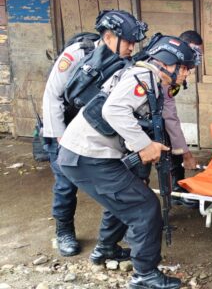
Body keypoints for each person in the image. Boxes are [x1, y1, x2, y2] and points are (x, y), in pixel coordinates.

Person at [57, 35, 197, 289]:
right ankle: (144, 275)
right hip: (87, 155)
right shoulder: (143, 78)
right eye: (185, 68)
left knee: (126, 199)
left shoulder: (152, 79)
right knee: (145, 208)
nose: (187, 75)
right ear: (168, 63)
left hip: (84, 154)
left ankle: (106, 250)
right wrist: (144, 146)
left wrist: (174, 149)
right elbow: (113, 110)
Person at [41, 10, 148, 257]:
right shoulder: (79, 54)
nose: (132, 47)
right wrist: (60, 136)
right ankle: (64, 230)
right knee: (66, 184)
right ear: (109, 37)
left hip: (96, 132)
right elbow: (52, 95)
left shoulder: (127, 63)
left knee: (116, 183)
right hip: (64, 128)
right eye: (128, 41)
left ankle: (109, 243)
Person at [163, 30, 204, 208]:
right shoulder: (165, 72)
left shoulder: (177, 72)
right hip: (138, 124)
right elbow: (169, 117)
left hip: (159, 116)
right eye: (195, 54)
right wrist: (186, 153)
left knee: (174, 147)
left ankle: (177, 189)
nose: (196, 61)